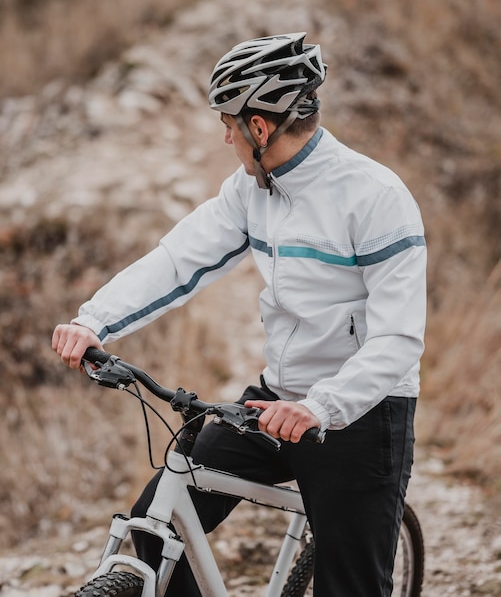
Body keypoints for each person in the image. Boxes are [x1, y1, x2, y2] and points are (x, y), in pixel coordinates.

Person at [53, 32, 427, 596]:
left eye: (228, 122)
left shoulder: (375, 196)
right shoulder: (251, 190)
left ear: (259, 126)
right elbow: (178, 260)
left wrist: (321, 407)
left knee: (348, 585)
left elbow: (399, 337)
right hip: (274, 400)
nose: (224, 135)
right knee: (157, 529)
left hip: (361, 414)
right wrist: (93, 320)